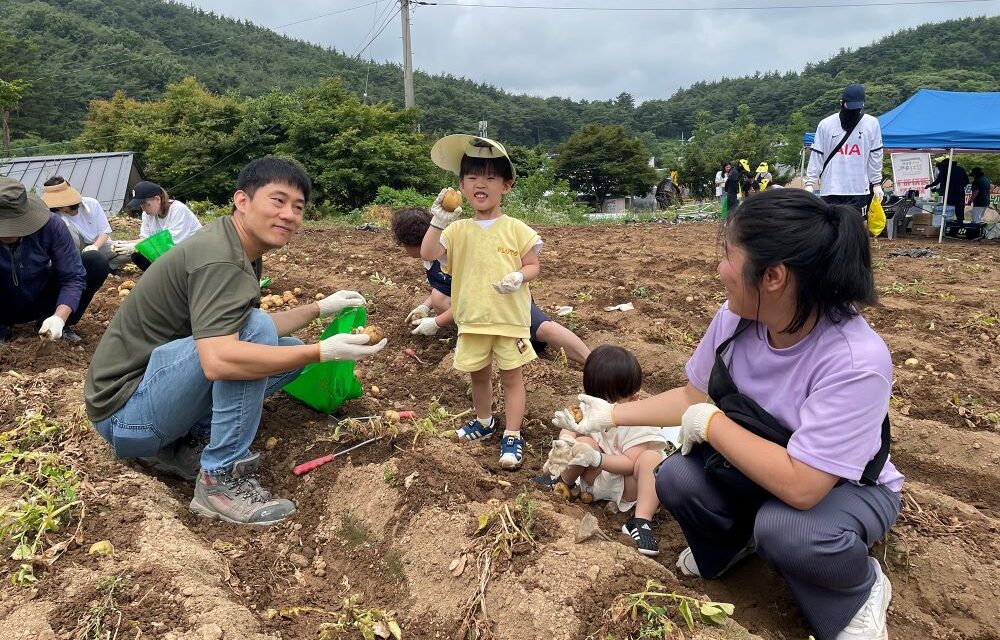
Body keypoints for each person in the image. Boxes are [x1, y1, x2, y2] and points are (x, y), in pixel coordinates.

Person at [558, 189, 903, 640]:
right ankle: (732, 545)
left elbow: (802, 486)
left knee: (786, 529)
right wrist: (609, 418)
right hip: (762, 469)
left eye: (727, 255)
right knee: (675, 476)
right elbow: (690, 395)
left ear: (774, 276)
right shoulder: (736, 319)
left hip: (843, 486)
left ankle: (859, 588)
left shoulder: (855, 360)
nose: (719, 269)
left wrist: (711, 423)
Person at [85, 157, 387, 526]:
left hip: (146, 406)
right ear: (242, 200)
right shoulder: (220, 259)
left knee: (291, 352)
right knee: (266, 339)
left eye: (298, 207)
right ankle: (220, 479)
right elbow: (220, 359)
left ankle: (182, 443)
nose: (290, 214)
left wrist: (320, 308)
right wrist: (324, 350)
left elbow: (241, 328)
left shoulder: (236, 246)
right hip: (125, 415)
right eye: (278, 201)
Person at [420, 134, 539, 470]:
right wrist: (439, 220)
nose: (480, 184)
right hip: (471, 319)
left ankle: (513, 434)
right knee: (479, 376)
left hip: (508, 319)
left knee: (512, 377)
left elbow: (533, 265)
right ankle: (485, 423)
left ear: (507, 185)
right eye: (472, 177)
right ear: (461, 184)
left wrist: (520, 276)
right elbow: (428, 253)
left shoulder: (516, 228)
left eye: (490, 177)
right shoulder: (458, 231)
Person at [392, 206, 589, 364]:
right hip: (484, 316)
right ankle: (484, 341)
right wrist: (426, 306)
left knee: (544, 330)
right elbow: (446, 288)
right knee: (438, 298)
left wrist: (437, 322)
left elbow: (474, 297)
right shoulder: (431, 257)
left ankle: (591, 362)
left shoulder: (451, 251)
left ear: (412, 243)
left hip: (502, 300)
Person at [545, 345, 667, 556]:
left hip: (628, 488)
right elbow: (570, 425)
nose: (600, 407)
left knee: (651, 459)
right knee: (582, 441)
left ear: (634, 398)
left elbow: (630, 464)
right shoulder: (591, 407)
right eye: (596, 399)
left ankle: (641, 521)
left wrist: (595, 457)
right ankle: (562, 481)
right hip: (596, 479)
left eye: (609, 401)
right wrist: (566, 441)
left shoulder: (639, 421)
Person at [1, 177, 110, 344]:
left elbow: (73, 276)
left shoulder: (51, 225)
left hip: (40, 295)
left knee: (94, 262)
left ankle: (56, 323)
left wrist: (60, 317)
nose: (9, 234)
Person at [805, 83, 884, 216]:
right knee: (831, 230)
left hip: (859, 190)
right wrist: (810, 183)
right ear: (841, 103)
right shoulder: (826, 124)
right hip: (831, 189)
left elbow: (875, 155)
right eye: (849, 106)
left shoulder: (872, 123)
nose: (853, 111)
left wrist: (876, 183)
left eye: (857, 108)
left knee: (854, 230)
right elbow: (817, 155)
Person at [111, 180, 202, 270]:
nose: (143, 209)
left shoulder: (177, 210)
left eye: (146, 204)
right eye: (141, 206)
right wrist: (124, 243)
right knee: (138, 256)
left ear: (158, 199)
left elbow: (170, 243)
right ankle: (161, 277)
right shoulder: (147, 214)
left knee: (141, 252)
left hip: (192, 254)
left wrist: (135, 247)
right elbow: (145, 239)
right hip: (172, 255)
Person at [40, 177, 117, 266]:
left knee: (125, 253)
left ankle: (105, 266)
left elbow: (105, 231)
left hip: (98, 246)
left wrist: (95, 246)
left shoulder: (92, 204)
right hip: (73, 251)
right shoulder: (54, 216)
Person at [926, 158, 970, 225]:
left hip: (949, 194)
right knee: (960, 211)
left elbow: (938, 181)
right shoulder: (961, 169)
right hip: (960, 193)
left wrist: (929, 185)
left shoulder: (945, 170)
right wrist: (960, 186)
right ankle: (960, 226)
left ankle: (947, 226)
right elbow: (967, 181)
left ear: (946, 164)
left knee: (948, 210)